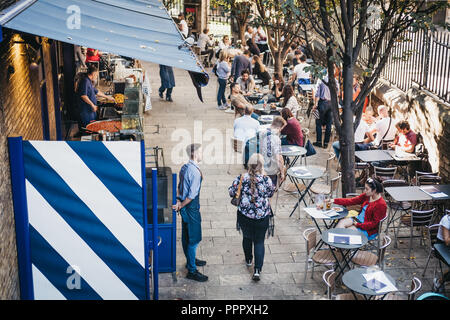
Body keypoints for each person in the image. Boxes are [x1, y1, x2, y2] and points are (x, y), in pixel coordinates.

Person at [228, 153, 276, 281]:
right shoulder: (266, 180)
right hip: (262, 217)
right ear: (261, 166)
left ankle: (249, 259)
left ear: (249, 165)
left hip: (245, 216)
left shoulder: (242, 178)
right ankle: (257, 270)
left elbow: (231, 192)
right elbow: (271, 192)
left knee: (247, 237)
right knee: (259, 241)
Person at [173, 144, 208, 282]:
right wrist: (181, 204)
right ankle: (192, 270)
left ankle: (191, 260)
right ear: (194, 153)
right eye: (201, 151)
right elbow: (191, 195)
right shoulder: (194, 171)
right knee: (194, 239)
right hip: (191, 209)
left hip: (186, 210)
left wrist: (179, 202)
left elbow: (180, 187)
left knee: (187, 236)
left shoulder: (184, 167)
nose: (202, 154)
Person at [312, 73, 339, 148]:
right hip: (331, 104)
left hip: (322, 103)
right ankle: (326, 143)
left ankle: (319, 142)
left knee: (318, 123)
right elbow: (337, 94)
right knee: (329, 124)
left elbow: (317, 94)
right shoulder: (336, 81)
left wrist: (315, 104)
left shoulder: (321, 80)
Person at [259, 116, 286, 188]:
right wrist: (282, 172)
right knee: (270, 191)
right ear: (279, 128)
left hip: (261, 165)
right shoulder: (276, 139)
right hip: (271, 169)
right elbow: (279, 158)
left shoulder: (262, 133)